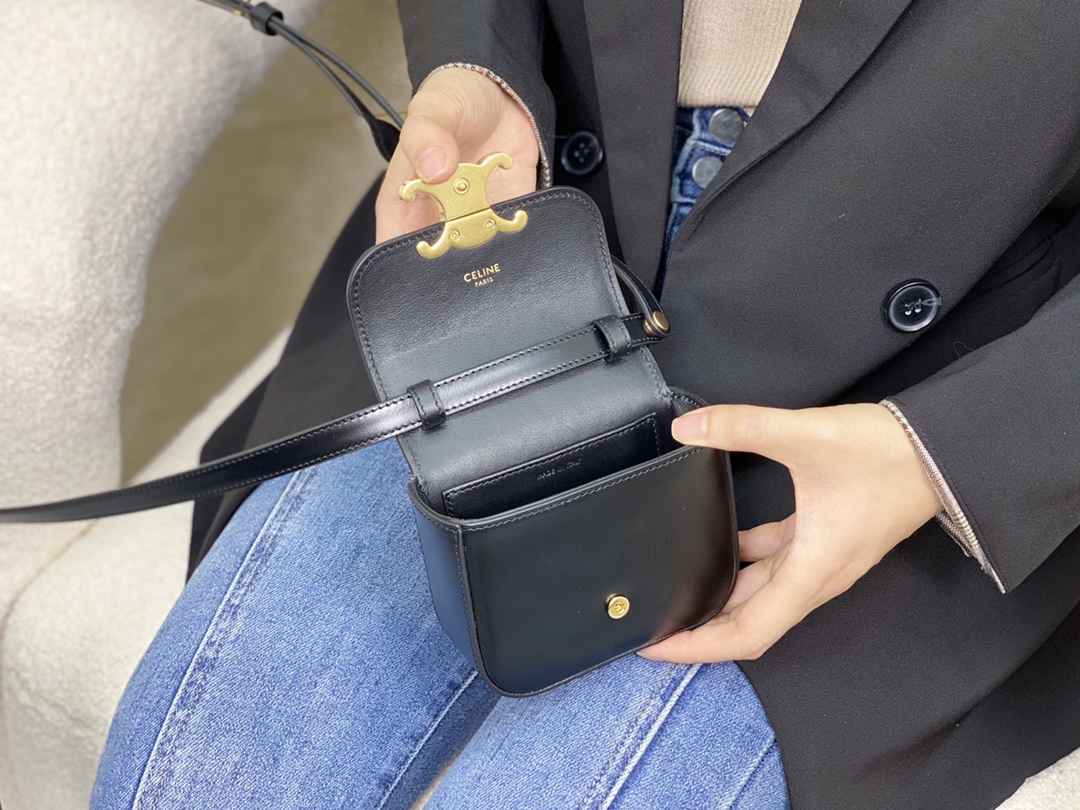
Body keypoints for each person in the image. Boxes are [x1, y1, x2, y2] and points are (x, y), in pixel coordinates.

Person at [93, 1, 1080, 808]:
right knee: (200, 776)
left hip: (919, 400)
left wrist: (944, 450)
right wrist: (482, 61)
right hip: (526, 265)